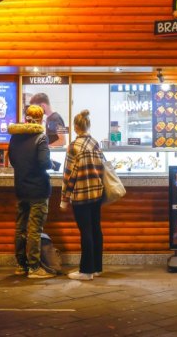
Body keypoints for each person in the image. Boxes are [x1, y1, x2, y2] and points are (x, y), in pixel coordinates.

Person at [8, 104, 60, 279]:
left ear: (26, 118)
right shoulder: (40, 137)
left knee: (20, 226)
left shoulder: (15, 137)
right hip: (38, 189)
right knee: (34, 229)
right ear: (40, 119)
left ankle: (21, 265)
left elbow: (13, 161)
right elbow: (44, 162)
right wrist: (52, 164)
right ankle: (34, 267)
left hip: (21, 187)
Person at [60, 109, 104, 281]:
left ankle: (86, 271)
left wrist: (64, 198)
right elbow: (102, 167)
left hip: (81, 195)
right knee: (95, 229)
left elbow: (68, 174)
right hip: (96, 193)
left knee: (85, 231)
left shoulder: (73, 146)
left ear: (76, 127)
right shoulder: (95, 143)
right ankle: (97, 268)